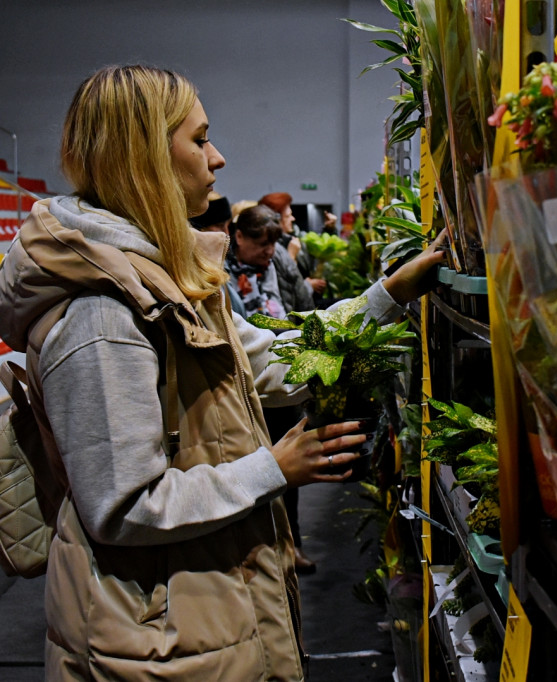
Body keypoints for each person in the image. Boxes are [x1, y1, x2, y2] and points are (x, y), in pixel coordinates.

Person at [0, 64, 445, 679]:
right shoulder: (100, 313)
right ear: (148, 156)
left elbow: (271, 359)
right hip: (149, 641)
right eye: (200, 138)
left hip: (191, 618)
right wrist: (273, 469)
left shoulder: (158, 280)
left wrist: (386, 296)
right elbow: (123, 505)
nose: (219, 158)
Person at [227, 203, 317, 571]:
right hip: (254, 383)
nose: (268, 251)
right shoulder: (220, 271)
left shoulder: (276, 261)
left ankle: (290, 544)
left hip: (283, 371)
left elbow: (299, 299)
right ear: (239, 237)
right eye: (261, 243)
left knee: (288, 471)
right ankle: (264, 550)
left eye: (272, 244)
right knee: (256, 467)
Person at [259, 191, 327, 300]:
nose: (293, 219)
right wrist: (291, 257)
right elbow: (281, 290)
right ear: (276, 220)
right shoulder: (272, 249)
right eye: (288, 216)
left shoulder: (290, 240)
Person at [191, 192, 245, 315]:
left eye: (228, 226)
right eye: (219, 226)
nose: (226, 233)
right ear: (199, 229)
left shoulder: (224, 263)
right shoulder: (195, 272)